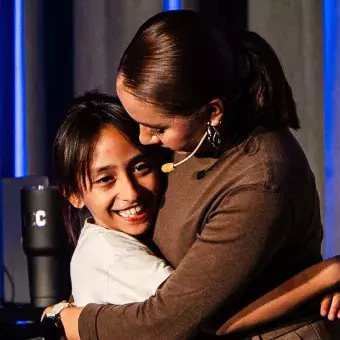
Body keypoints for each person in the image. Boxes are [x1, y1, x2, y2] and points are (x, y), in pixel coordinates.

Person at [51, 10, 340, 339]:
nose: (144, 141)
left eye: (157, 128)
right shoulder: (186, 140)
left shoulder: (259, 181)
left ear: (212, 112)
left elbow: (177, 321)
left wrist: (75, 323)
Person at [52, 91, 173, 307]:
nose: (131, 193)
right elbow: (196, 310)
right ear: (74, 194)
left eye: (140, 167)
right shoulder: (115, 257)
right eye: (106, 179)